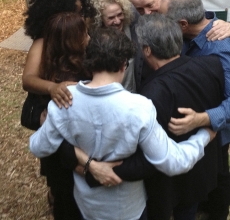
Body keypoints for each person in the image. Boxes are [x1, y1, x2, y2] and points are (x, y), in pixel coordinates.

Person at [30, 26, 216, 220]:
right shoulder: (139, 107)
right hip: (128, 208)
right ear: (123, 65)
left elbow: (38, 146)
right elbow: (173, 162)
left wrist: (52, 127)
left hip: (86, 205)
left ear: (89, 62)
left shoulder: (64, 101)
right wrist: (203, 137)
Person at [134, 13, 224, 220]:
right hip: (202, 168)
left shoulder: (152, 93)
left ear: (147, 49)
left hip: (168, 182)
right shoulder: (211, 65)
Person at [22, 0, 96, 219]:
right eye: (73, 12)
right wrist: (53, 88)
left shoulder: (79, 35)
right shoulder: (42, 42)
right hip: (52, 114)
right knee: (59, 167)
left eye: (80, 11)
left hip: (73, 117)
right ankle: (58, 195)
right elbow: (28, 79)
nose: (79, 15)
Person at [164, 0, 230, 220]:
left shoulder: (220, 49)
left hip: (217, 132)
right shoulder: (194, 33)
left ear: (183, 24)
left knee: (219, 172)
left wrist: (204, 119)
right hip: (198, 131)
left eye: (167, 19)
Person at [128, 0, 230, 91]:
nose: (146, 13)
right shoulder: (181, 18)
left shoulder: (219, 48)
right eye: (140, 9)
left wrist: (205, 110)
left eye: (150, 5)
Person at [91, 0, 137, 92]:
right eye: (111, 18)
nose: (117, 21)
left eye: (120, 14)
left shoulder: (127, 27)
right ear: (100, 18)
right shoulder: (97, 41)